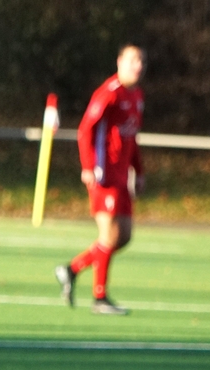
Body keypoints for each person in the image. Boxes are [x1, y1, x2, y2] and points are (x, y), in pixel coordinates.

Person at [56, 45, 145, 315]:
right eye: (132, 60)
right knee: (109, 235)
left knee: (124, 236)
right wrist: (87, 166)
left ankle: (72, 269)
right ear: (119, 62)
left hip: (121, 177)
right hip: (103, 174)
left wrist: (139, 171)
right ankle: (99, 298)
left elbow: (131, 138)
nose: (138, 65)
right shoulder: (109, 92)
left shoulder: (137, 96)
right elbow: (85, 129)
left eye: (141, 61)